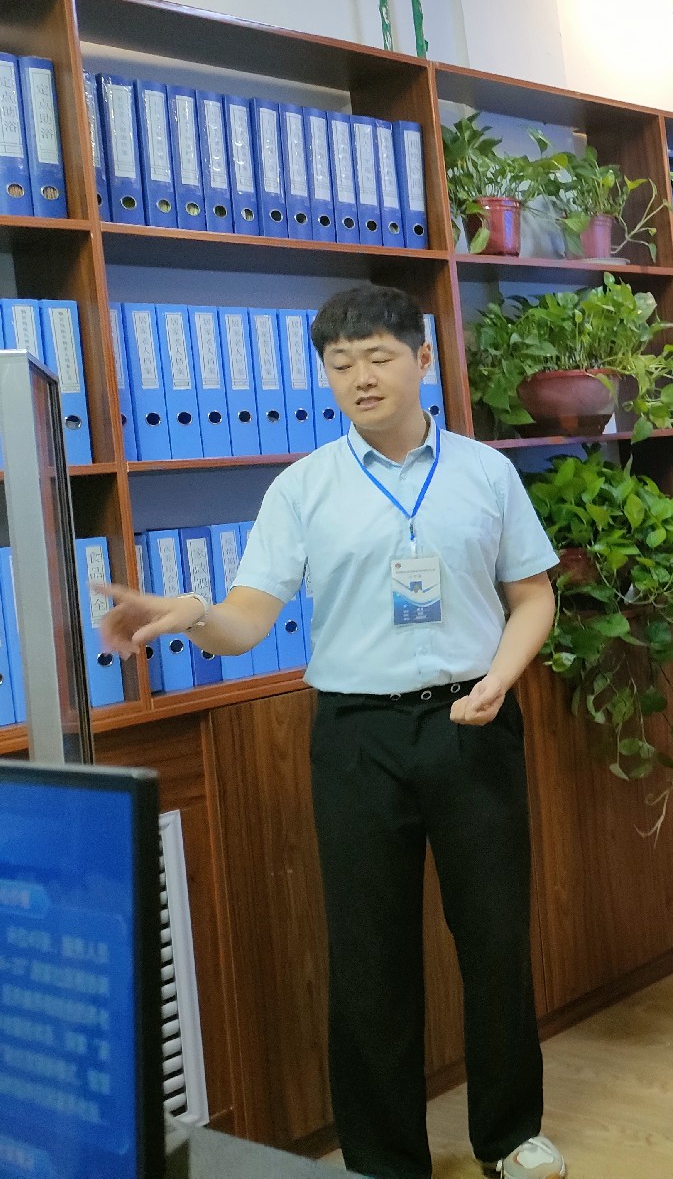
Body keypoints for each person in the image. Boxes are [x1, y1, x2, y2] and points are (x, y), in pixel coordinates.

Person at [96, 285, 566, 1179]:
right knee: (368, 952)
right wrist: (192, 612)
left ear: (422, 361)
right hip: (357, 736)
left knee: (496, 938)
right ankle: (384, 1159)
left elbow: (533, 595)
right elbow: (247, 617)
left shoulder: (484, 472)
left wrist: (501, 679)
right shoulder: (303, 486)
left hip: (473, 720)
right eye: (340, 364)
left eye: (379, 358)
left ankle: (511, 1136)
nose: (360, 378)